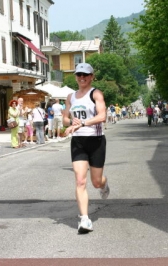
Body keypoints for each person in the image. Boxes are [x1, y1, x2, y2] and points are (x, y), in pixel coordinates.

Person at [63, 63, 109, 234]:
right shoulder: (70, 97)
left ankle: (104, 185)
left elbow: (102, 116)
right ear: (75, 76)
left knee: (96, 182)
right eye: (79, 75)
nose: (82, 78)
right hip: (78, 141)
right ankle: (84, 219)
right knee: (80, 180)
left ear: (91, 77)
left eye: (85, 75)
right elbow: (65, 119)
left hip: (96, 140)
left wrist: (82, 122)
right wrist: (71, 122)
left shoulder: (95, 93)